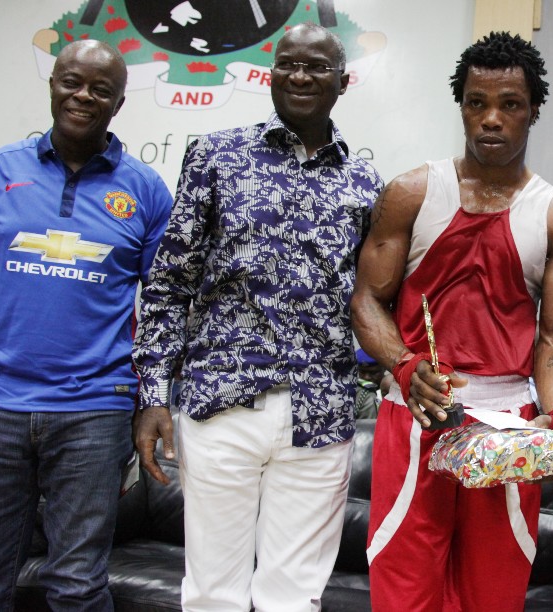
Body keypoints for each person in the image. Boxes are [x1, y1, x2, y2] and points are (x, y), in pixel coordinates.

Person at [132, 23, 383, 611]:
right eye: (287, 64)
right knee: (212, 594)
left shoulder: (366, 182)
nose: (300, 76)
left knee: (294, 597)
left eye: (316, 67)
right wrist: (151, 394)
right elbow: (169, 285)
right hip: (220, 403)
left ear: (342, 82)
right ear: (270, 75)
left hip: (319, 414)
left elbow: (370, 302)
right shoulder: (216, 156)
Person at [350, 31, 553, 612]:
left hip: (507, 428)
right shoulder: (411, 193)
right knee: (404, 593)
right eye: (477, 102)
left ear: (533, 111)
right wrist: (405, 366)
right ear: (460, 105)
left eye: (509, 104)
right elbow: (365, 301)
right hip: (416, 416)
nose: (491, 119)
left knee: (493, 595)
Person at [0, 40, 172, 610]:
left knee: (77, 585)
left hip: (95, 409)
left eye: (100, 89)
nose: (83, 95)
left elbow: (163, 305)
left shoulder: (145, 189)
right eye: (72, 81)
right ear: (53, 85)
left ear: (118, 104)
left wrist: (152, 400)